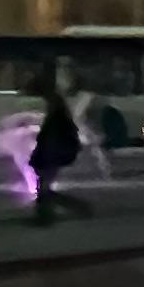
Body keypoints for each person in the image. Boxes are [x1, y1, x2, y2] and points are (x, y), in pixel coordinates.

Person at [26, 85, 95, 224]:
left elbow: (49, 141)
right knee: (43, 190)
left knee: (44, 190)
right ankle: (47, 215)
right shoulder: (57, 118)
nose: (47, 104)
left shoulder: (57, 120)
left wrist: (44, 157)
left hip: (49, 158)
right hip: (47, 158)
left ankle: (48, 216)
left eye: (49, 102)